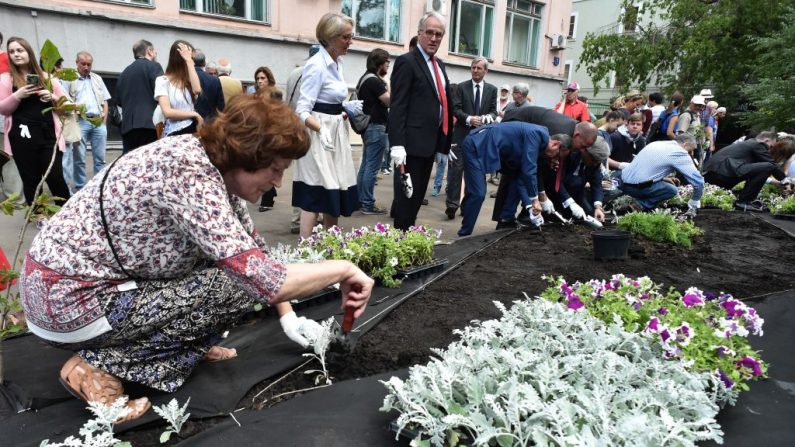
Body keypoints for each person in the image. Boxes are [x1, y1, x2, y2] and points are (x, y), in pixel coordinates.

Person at [19, 95, 374, 423]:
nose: (279, 183)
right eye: (276, 169)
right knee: (235, 285)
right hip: (68, 300)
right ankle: (94, 368)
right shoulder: (187, 173)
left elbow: (256, 255)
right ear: (248, 156)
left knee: (233, 269)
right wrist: (342, 270)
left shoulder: (217, 171)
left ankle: (180, 346)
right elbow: (264, 280)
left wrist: (289, 319)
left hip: (86, 290)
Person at [293, 12, 361, 237]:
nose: (350, 41)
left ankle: (332, 246)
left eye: (351, 36)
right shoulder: (316, 65)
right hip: (318, 136)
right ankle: (304, 251)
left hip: (335, 133)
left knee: (335, 190)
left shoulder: (337, 62)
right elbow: (302, 110)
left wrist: (345, 110)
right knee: (315, 192)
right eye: (346, 37)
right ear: (329, 37)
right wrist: (321, 130)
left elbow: (331, 102)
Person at [388, 11, 454, 230]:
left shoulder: (439, 65)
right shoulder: (407, 62)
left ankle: (408, 244)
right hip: (409, 147)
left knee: (416, 201)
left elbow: (443, 102)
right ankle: (398, 245)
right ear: (420, 34)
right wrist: (397, 144)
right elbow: (398, 106)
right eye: (430, 33)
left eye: (439, 34)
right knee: (405, 201)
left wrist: (445, 141)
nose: (434, 38)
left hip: (429, 145)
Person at [457, 122, 570, 236]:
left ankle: (506, 220)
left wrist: (531, 207)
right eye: (557, 156)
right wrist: (535, 200)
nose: (557, 160)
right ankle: (464, 233)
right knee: (478, 193)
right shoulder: (538, 134)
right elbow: (528, 170)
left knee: (516, 179)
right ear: (555, 144)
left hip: (491, 149)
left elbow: (523, 179)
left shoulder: (540, 147)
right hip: (476, 145)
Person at [0, 36, 71, 205]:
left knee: (55, 177)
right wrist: (18, 95)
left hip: (47, 136)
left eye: (20, 50)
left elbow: (66, 106)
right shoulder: (6, 78)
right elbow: (3, 108)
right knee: (30, 179)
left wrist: (52, 97)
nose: (16, 54)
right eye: (11, 51)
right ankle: (37, 215)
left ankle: (67, 211)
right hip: (22, 137)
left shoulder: (46, 77)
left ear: (28, 52)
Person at [445, 56, 498, 220]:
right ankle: (452, 206)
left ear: (486, 71)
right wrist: (468, 119)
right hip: (461, 136)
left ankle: (466, 206)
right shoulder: (461, 87)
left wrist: (488, 117)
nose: (475, 70)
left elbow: (494, 111)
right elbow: (455, 109)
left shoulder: (492, 90)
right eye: (473, 67)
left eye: (479, 68)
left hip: (480, 139)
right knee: (455, 171)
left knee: (473, 174)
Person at [703, 131, 794, 212]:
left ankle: (745, 200)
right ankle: (744, 202)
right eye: (770, 146)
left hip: (716, 174)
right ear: (766, 140)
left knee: (766, 167)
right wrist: (785, 182)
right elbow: (771, 164)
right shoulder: (757, 145)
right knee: (768, 166)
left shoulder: (749, 145)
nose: (769, 149)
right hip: (720, 174)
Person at [61, 51, 111, 190]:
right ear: (77, 63)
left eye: (89, 64)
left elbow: (105, 101)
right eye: (83, 64)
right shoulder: (69, 79)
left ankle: (98, 186)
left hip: (98, 122)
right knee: (79, 158)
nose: (86, 67)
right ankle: (81, 186)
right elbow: (63, 100)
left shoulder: (97, 78)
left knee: (100, 158)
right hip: (79, 122)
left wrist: (104, 121)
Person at [619, 134, 703, 214]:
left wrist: (664, 179)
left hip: (622, 183)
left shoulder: (657, 143)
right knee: (672, 190)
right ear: (685, 144)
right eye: (690, 150)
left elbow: (646, 168)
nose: (690, 154)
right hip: (636, 188)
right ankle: (641, 205)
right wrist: (695, 200)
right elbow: (698, 181)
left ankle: (634, 201)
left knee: (664, 184)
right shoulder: (680, 153)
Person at [540, 136, 610, 223]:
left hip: (577, 194)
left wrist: (598, 207)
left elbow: (597, 184)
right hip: (555, 194)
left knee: (588, 214)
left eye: (598, 161)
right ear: (585, 151)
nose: (595, 164)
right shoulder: (569, 155)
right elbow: (556, 181)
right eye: (594, 160)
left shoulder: (595, 164)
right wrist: (570, 203)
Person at [356, 48, 391, 215]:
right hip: (376, 126)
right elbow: (389, 101)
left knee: (365, 165)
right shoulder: (374, 81)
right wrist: (389, 86)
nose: (388, 66)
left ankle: (360, 200)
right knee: (372, 167)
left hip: (368, 127)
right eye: (387, 63)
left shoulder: (364, 78)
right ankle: (368, 204)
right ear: (380, 64)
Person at [117, 39, 164, 154]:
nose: (156, 54)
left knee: (130, 165)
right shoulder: (154, 66)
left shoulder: (124, 73)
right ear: (149, 51)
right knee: (148, 163)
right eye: (155, 52)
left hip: (127, 127)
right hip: (149, 125)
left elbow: (119, 101)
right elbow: (162, 93)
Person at [246, 65, 279, 212]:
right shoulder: (255, 93)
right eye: (258, 78)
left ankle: (268, 198)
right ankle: (269, 192)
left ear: (268, 79)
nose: (259, 81)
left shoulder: (275, 94)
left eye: (262, 78)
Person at [155, 40, 203, 137]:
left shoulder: (189, 79)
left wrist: (189, 62)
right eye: (191, 58)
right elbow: (167, 112)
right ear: (180, 59)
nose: (193, 62)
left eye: (192, 58)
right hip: (175, 132)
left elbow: (197, 89)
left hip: (192, 130)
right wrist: (193, 114)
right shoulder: (162, 81)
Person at [192, 48, 224, 120]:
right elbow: (221, 106)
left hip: (187, 122)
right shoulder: (215, 80)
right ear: (204, 63)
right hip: (209, 123)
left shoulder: (183, 78)